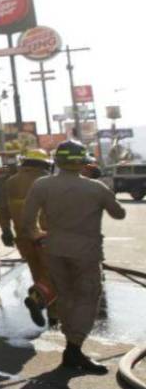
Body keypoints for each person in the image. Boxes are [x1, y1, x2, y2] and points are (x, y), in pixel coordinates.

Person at [20, 140, 126, 374]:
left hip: (54, 250)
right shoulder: (96, 188)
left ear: (57, 161)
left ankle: (71, 348)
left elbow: (27, 221)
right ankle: (74, 348)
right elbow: (119, 213)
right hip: (86, 254)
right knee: (87, 298)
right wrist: (107, 190)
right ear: (83, 163)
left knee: (65, 296)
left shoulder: (42, 185)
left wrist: (38, 236)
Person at [0, 149, 56, 326]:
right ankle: (47, 311)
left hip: (23, 239)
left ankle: (41, 303)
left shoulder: (10, 182)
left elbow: (2, 208)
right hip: (46, 236)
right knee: (53, 276)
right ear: (44, 164)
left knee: (38, 274)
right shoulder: (48, 182)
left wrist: (6, 230)